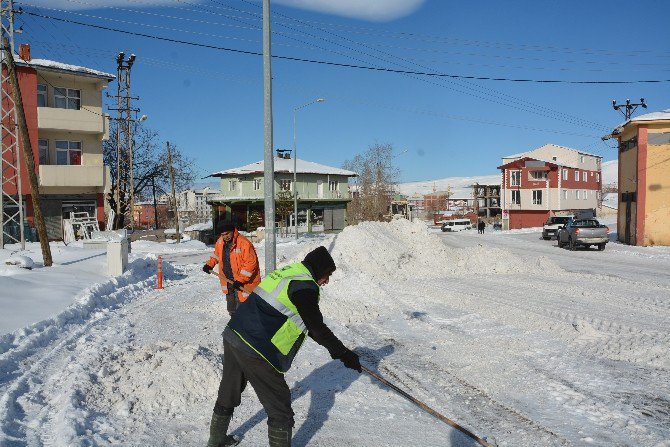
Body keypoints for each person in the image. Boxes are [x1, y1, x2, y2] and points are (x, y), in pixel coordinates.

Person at [205, 246, 362, 447]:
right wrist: (343, 353)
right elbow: (316, 327)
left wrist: (340, 352)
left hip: (234, 334)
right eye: (327, 275)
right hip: (257, 348)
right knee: (280, 408)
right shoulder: (304, 286)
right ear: (319, 270)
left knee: (229, 390)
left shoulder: (290, 271)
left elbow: (307, 324)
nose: (327, 281)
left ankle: (216, 440)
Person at [203, 221, 260, 317]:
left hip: (243, 283)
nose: (225, 236)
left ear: (233, 231)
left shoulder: (244, 243)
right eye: (222, 234)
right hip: (227, 280)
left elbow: (251, 264)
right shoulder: (220, 242)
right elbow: (216, 255)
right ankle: (234, 325)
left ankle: (245, 328)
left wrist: (241, 280)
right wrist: (210, 264)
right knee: (232, 308)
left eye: (227, 233)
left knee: (243, 308)